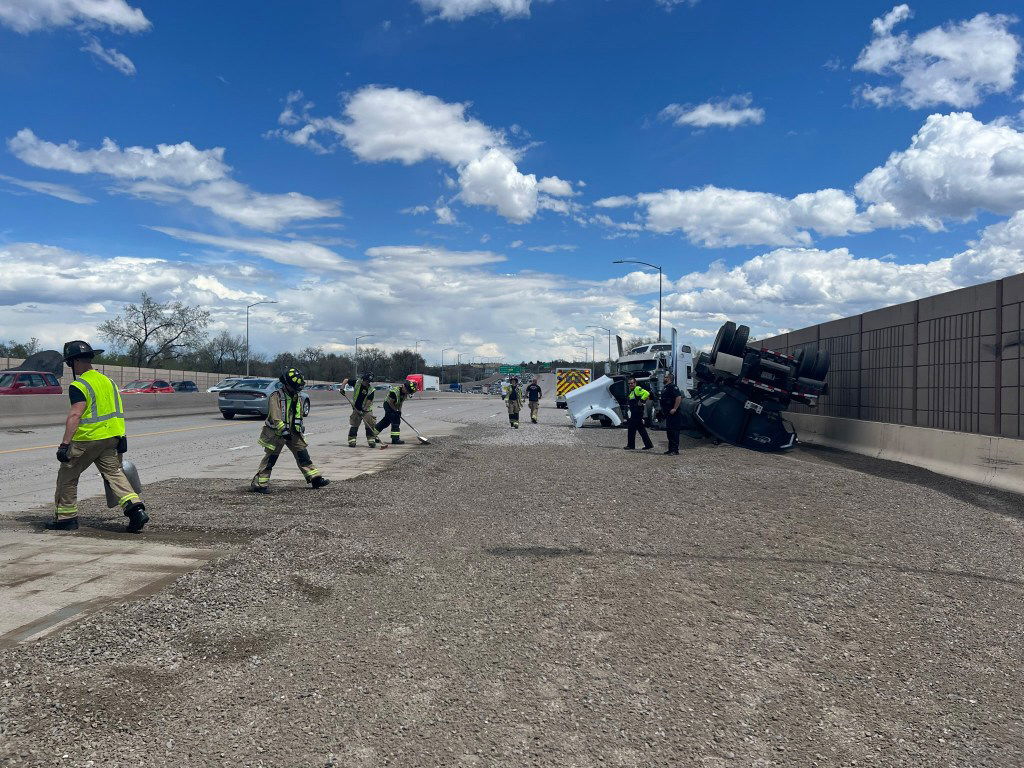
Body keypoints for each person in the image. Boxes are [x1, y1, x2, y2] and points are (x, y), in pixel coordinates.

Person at [49, 340, 148, 532]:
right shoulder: (109, 382)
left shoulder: (79, 385)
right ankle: (136, 510)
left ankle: (66, 519)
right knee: (114, 474)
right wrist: (122, 436)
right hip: (112, 438)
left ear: (74, 362)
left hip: (87, 440)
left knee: (67, 476)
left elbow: (75, 414)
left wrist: (64, 445)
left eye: (69, 362)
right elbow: (116, 410)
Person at [251, 367, 329, 493]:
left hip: (293, 432)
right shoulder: (276, 396)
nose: (297, 390)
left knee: (303, 455)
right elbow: (275, 416)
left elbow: (298, 412)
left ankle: (315, 478)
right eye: (295, 387)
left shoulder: (295, 396)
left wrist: (299, 426)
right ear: (287, 384)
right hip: (277, 433)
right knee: (271, 458)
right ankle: (260, 484)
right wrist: (283, 430)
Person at [343, 372, 380, 448]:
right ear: (363, 379)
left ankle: (371, 440)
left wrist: (363, 411)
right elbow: (346, 380)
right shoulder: (357, 383)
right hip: (356, 408)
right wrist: (341, 388)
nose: (368, 383)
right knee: (354, 423)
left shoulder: (371, 390)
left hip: (366, 410)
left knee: (369, 423)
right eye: (367, 381)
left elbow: (368, 402)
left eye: (369, 381)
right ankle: (352, 440)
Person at [376, 379, 418, 444]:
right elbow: (390, 402)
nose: (407, 393)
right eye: (407, 391)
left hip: (394, 405)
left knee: (386, 422)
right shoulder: (394, 392)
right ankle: (395, 439)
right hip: (388, 404)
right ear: (404, 387)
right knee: (395, 420)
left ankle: (372, 434)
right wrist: (395, 411)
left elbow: (400, 403)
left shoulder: (404, 393)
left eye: (408, 392)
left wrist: (399, 411)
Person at [624, 375, 654, 451]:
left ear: (635, 383)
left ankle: (631, 445)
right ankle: (648, 444)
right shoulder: (632, 391)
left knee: (631, 428)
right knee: (641, 429)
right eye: (629, 383)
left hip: (637, 413)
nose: (630, 385)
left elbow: (647, 393)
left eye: (632, 383)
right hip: (635, 413)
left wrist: (641, 401)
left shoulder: (637, 389)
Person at [660, 372, 684, 455]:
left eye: (665, 377)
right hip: (668, 413)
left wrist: (674, 408)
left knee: (674, 431)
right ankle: (670, 449)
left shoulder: (673, 387)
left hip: (674, 413)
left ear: (669, 378)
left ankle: (675, 450)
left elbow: (678, 397)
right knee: (669, 432)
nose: (664, 378)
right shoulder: (666, 387)